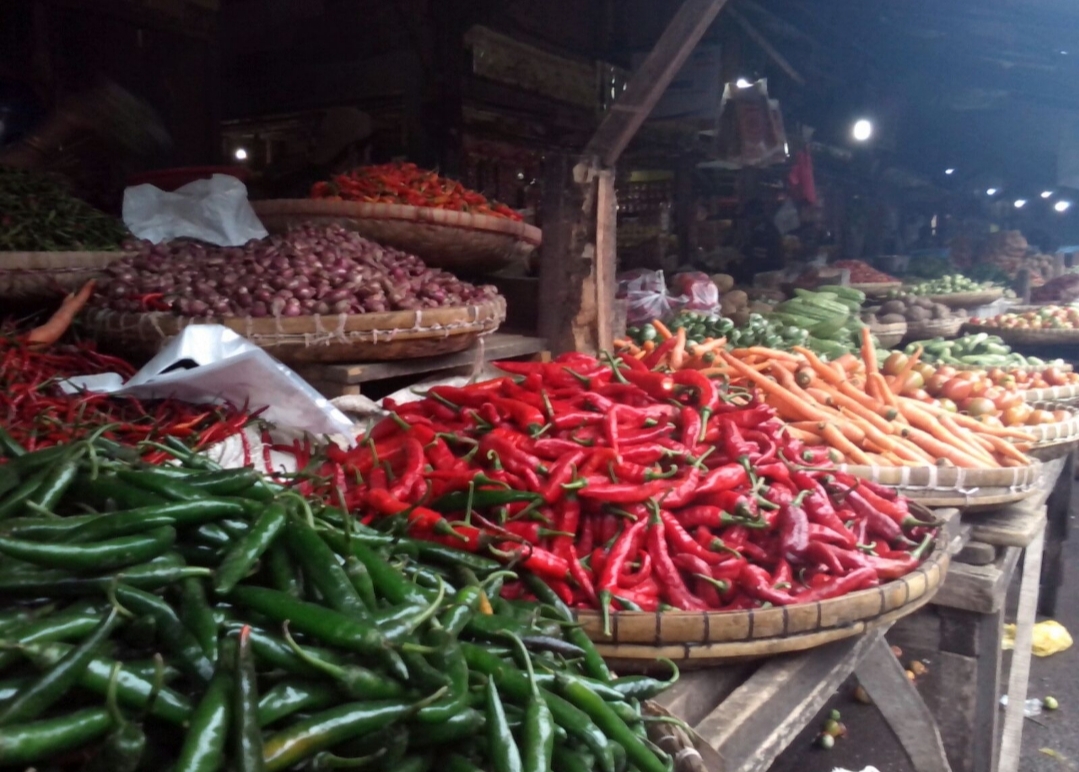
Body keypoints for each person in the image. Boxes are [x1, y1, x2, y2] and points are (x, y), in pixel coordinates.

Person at [729, 199, 784, 284]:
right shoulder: (761, 228)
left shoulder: (764, 231)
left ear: (756, 216)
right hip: (764, 268)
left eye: (749, 217)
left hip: (767, 270)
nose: (748, 220)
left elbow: (759, 253)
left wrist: (743, 254)